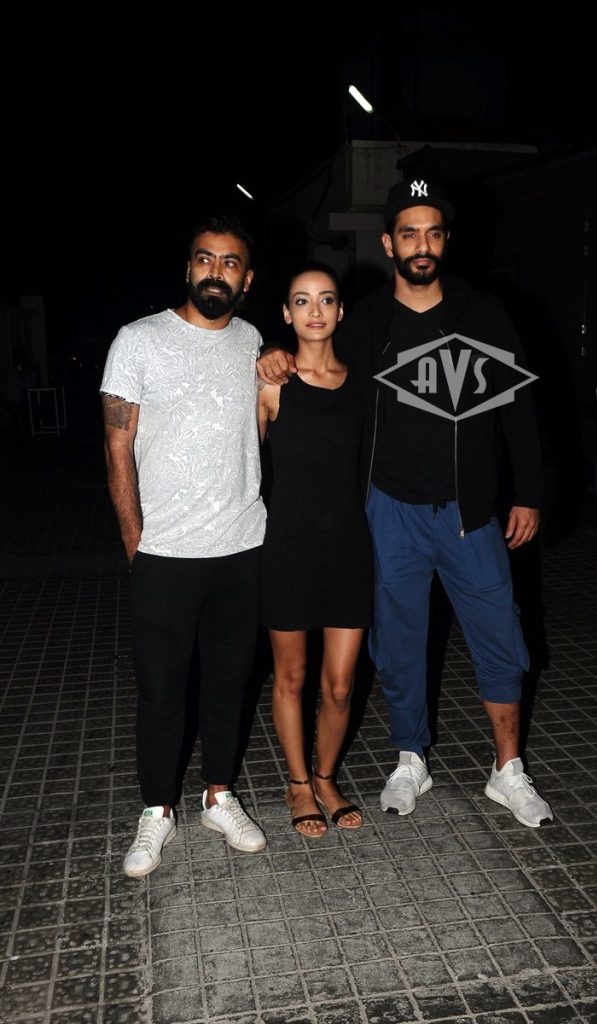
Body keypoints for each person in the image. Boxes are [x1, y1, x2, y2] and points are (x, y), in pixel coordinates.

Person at [257, 179, 553, 829]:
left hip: (470, 511)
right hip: (388, 510)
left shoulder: (484, 313)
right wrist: (273, 353)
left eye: (433, 232)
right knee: (398, 642)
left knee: (500, 637)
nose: (422, 245)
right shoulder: (366, 322)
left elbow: (518, 406)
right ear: (389, 243)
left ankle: (508, 769)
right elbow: (315, 355)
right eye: (408, 233)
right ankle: (410, 756)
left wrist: (528, 490)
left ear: (445, 241)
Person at [101, 214, 268, 878]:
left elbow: (261, 428)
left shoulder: (252, 341)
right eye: (205, 259)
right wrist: (134, 541)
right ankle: (156, 809)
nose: (216, 272)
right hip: (165, 553)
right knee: (162, 691)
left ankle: (219, 796)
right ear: (188, 268)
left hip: (242, 547)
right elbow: (116, 445)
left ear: (247, 280)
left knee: (229, 683)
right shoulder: (138, 340)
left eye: (230, 263)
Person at [258, 263, 372, 837]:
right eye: (301, 301)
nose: (315, 310)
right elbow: (240, 464)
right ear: (286, 313)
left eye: (326, 299)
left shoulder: (362, 384)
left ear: (340, 311)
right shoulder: (271, 385)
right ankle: (298, 783)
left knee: (340, 684)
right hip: (288, 548)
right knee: (292, 676)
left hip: (349, 548)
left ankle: (326, 777)